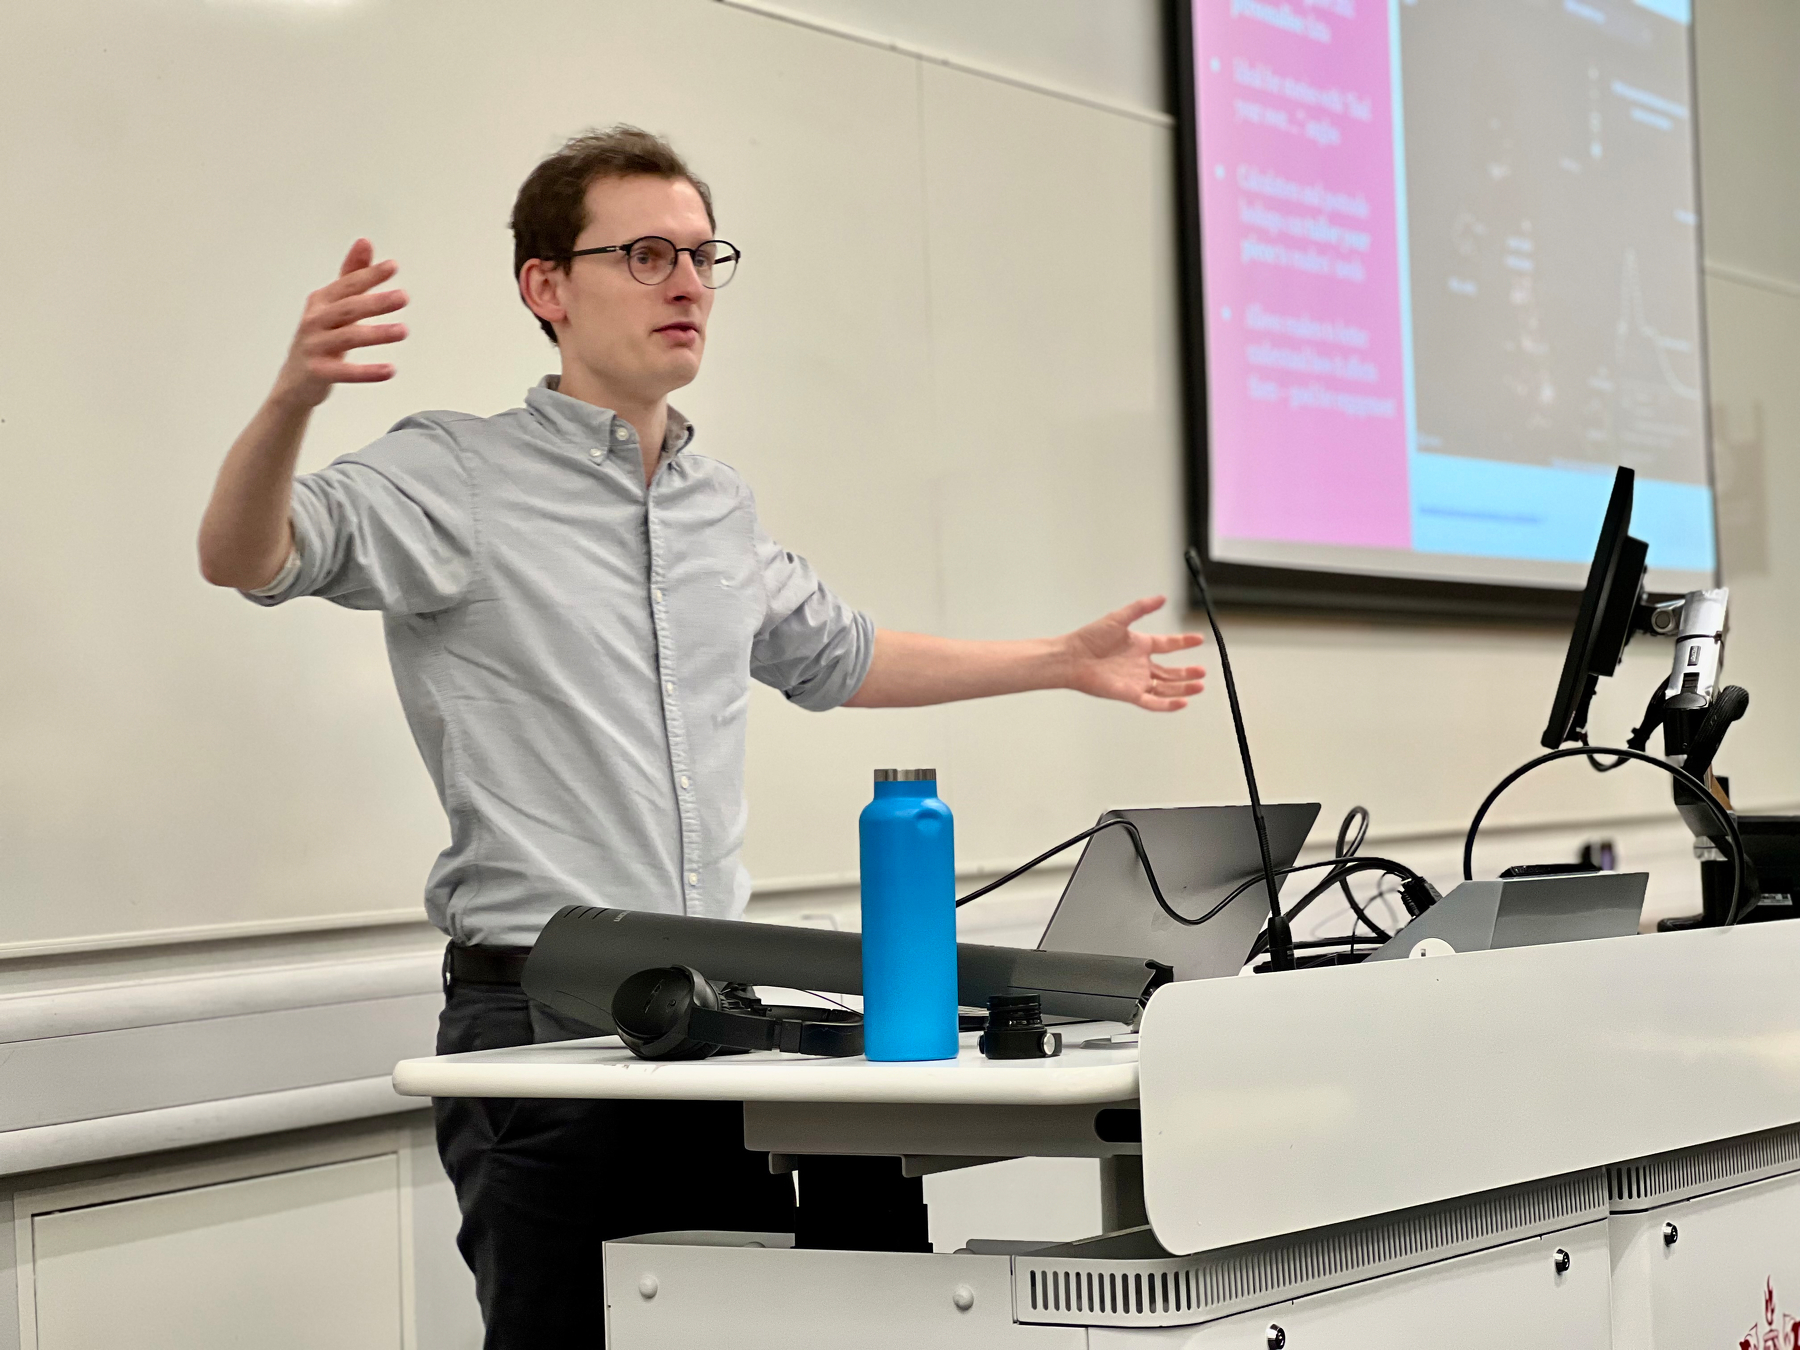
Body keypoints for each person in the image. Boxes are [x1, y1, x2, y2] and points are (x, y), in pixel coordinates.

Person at [197, 125, 1206, 1348]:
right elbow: (249, 556)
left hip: (712, 1023)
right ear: (546, 288)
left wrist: (1056, 662)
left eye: (701, 254)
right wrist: (294, 398)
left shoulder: (715, 502)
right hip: (541, 1029)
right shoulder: (455, 474)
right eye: (645, 254)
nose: (686, 282)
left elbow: (839, 655)